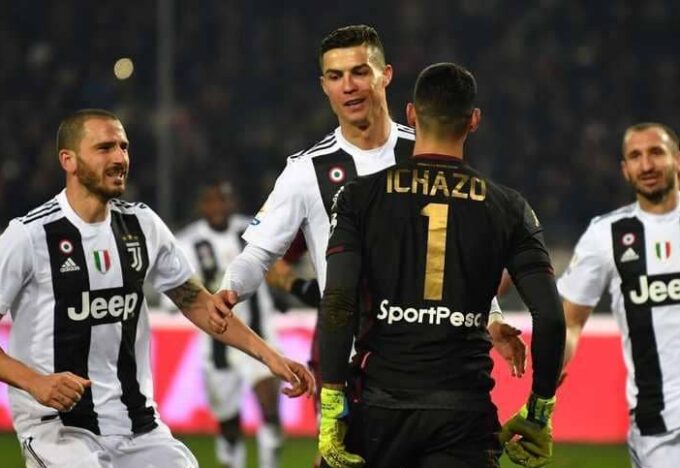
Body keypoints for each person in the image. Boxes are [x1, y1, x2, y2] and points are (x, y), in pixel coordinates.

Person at [218, 22, 524, 395]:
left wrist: (492, 317)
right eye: (336, 76)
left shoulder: (428, 152)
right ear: (324, 86)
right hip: (354, 374)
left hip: (436, 366)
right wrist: (230, 289)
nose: (348, 86)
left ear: (386, 75)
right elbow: (258, 256)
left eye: (360, 72)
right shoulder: (305, 171)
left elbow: (457, 254)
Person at [0, 109, 314, 468]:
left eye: (123, 147)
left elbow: (198, 303)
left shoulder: (142, 225)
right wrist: (35, 382)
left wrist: (271, 357)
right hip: (59, 427)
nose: (119, 158)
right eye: (104, 148)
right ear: (68, 160)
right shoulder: (29, 236)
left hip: (137, 424)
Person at [317, 63, 565, 468]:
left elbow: (339, 301)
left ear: (411, 115)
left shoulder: (359, 198)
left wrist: (331, 402)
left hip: (379, 409)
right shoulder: (509, 207)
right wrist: (540, 411)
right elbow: (551, 317)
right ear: (474, 121)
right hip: (464, 415)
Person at [558, 122, 680, 468]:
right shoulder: (606, 235)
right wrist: (550, 370)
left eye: (656, 152)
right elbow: (570, 322)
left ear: (677, 160)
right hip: (658, 430)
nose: (647, 165)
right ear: (625, 170)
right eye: (635, 156)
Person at [172, 180, 290, 468]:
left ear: (232, 203)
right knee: (229, 427)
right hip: (218, 345)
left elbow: (276, 267)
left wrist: (284, 287)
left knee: (271, 413)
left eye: (223, 200)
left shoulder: (251, 231)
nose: (218, 207)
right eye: (212, 201)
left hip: (260, 337)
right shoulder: (187, 243)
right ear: (202, 206)